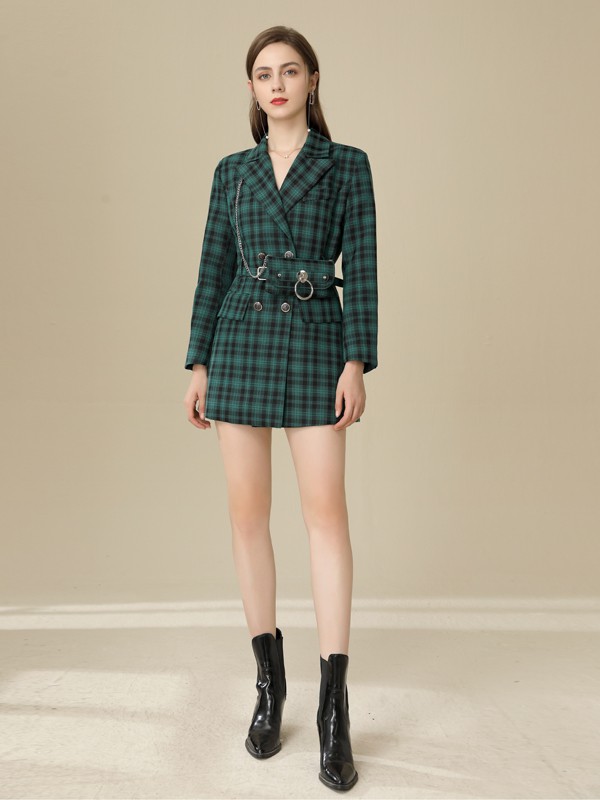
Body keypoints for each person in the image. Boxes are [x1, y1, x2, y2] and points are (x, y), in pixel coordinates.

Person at [183, 25, 377, 793]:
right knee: (247, 516)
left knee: (326, 514)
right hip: (239, 340)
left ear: (312, 80)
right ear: (253, 88)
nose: (276, 84)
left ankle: (334, 708)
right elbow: (212, 266)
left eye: (289, 71)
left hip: (318, 342)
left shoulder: (347, 165)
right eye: (264, 74)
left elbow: (363, 268)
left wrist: (356, 360)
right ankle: (270, 685)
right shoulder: (232, 172)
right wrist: (198, 362)